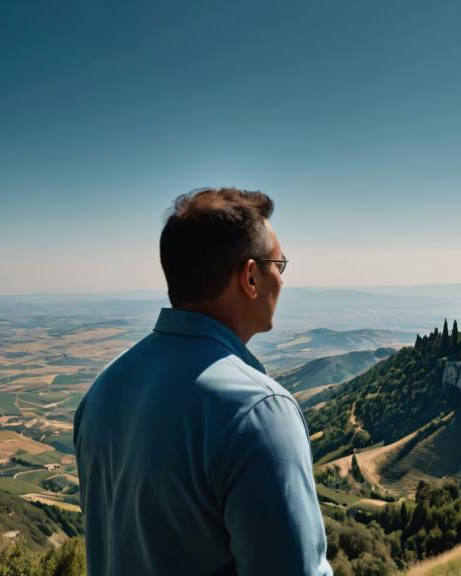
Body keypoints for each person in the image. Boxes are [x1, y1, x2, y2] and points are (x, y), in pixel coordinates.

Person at [74, 188, 333, 575]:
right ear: (250, 277)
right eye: (278, 264)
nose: (281, 278)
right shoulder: (258, 412)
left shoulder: (103, 390)